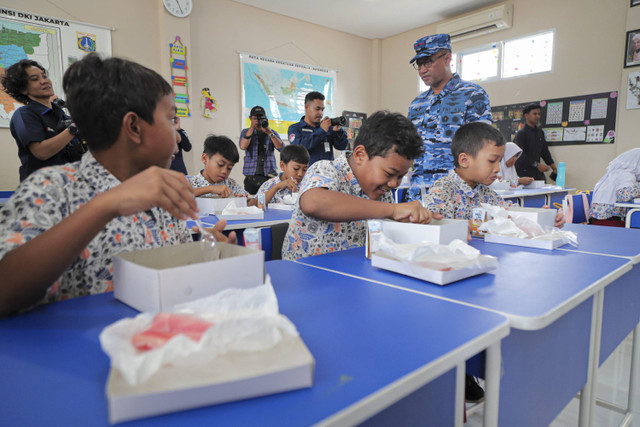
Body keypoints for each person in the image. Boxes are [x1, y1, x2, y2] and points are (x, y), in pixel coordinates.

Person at [0, 54, 235, 317]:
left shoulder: (163, 197)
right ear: (134, 127)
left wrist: (202, 257)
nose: (177, 137)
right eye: (170, 120)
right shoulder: (51, 189)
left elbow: (169, 276)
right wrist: (107, 205)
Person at [282, 110, 439, 261]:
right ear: (360, 155)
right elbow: (313, 203)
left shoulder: (383, 193)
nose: (394, 184)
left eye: (400, 177)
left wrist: (414, 222)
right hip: (306, 278)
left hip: (352, 277)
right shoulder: (326, 169)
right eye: (389, 174)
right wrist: (393, 210)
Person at [407, 33, 492, 200]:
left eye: (428, 62)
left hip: (457, 195)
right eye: (419, 65)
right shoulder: (417, 104)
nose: (422, 70)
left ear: (447, 58)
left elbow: (483, 148)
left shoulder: (472, 94)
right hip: (419, 194)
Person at [2, 59, 85, 181]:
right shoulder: (25, 115)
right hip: (41, 188)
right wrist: (73, 128)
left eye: (44, 76)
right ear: (23, 89)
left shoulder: (61, 115)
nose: (44, 81)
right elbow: (41, 152)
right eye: (35, 79)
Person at [188, 135, 259, 207]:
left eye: (229, 168)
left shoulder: (232, 184)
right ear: (205, 158)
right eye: (220, 165)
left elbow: (254, 202)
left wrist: (243, 201)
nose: (224, 171)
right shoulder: (189, 182)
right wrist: (210, 189)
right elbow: (180, 196)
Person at [287, 91, 348, 166]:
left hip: (327, 174)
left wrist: (338, 131)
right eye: (317, 109)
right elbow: (300, 149)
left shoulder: (327, 127)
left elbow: (341, 146)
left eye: (322, 109)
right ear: (307, 107)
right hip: (307, 175)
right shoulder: (295, 128)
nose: (321, 113)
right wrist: (321, 131)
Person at [239, 105, 284, 194]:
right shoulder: (245, 132)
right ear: (250, 119)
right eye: (255, 118)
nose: (258, 120)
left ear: (266, 118)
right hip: (251, 177)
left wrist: (268, 132)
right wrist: (252, 127)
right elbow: (243, 146)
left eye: (261, 117)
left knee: (268, 202)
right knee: (251, 203)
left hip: (269, 177)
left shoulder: (272, 132)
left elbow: (281, 148)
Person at [590, 148, 640, 227]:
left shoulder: (618, 172)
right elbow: (624, 196)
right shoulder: (626, 175)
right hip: (607, 222)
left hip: (601, 220)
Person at [514, 103, 557, 182]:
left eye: (539, 114)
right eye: (535, 114)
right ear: (526, 115)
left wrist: (553, 167)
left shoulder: (540, 132)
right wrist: (536, 165)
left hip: (537, 172)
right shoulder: (521, 133)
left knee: (544, 192)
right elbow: (519, 155)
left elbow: (545, 152)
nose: (538, 116)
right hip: (524, 173)